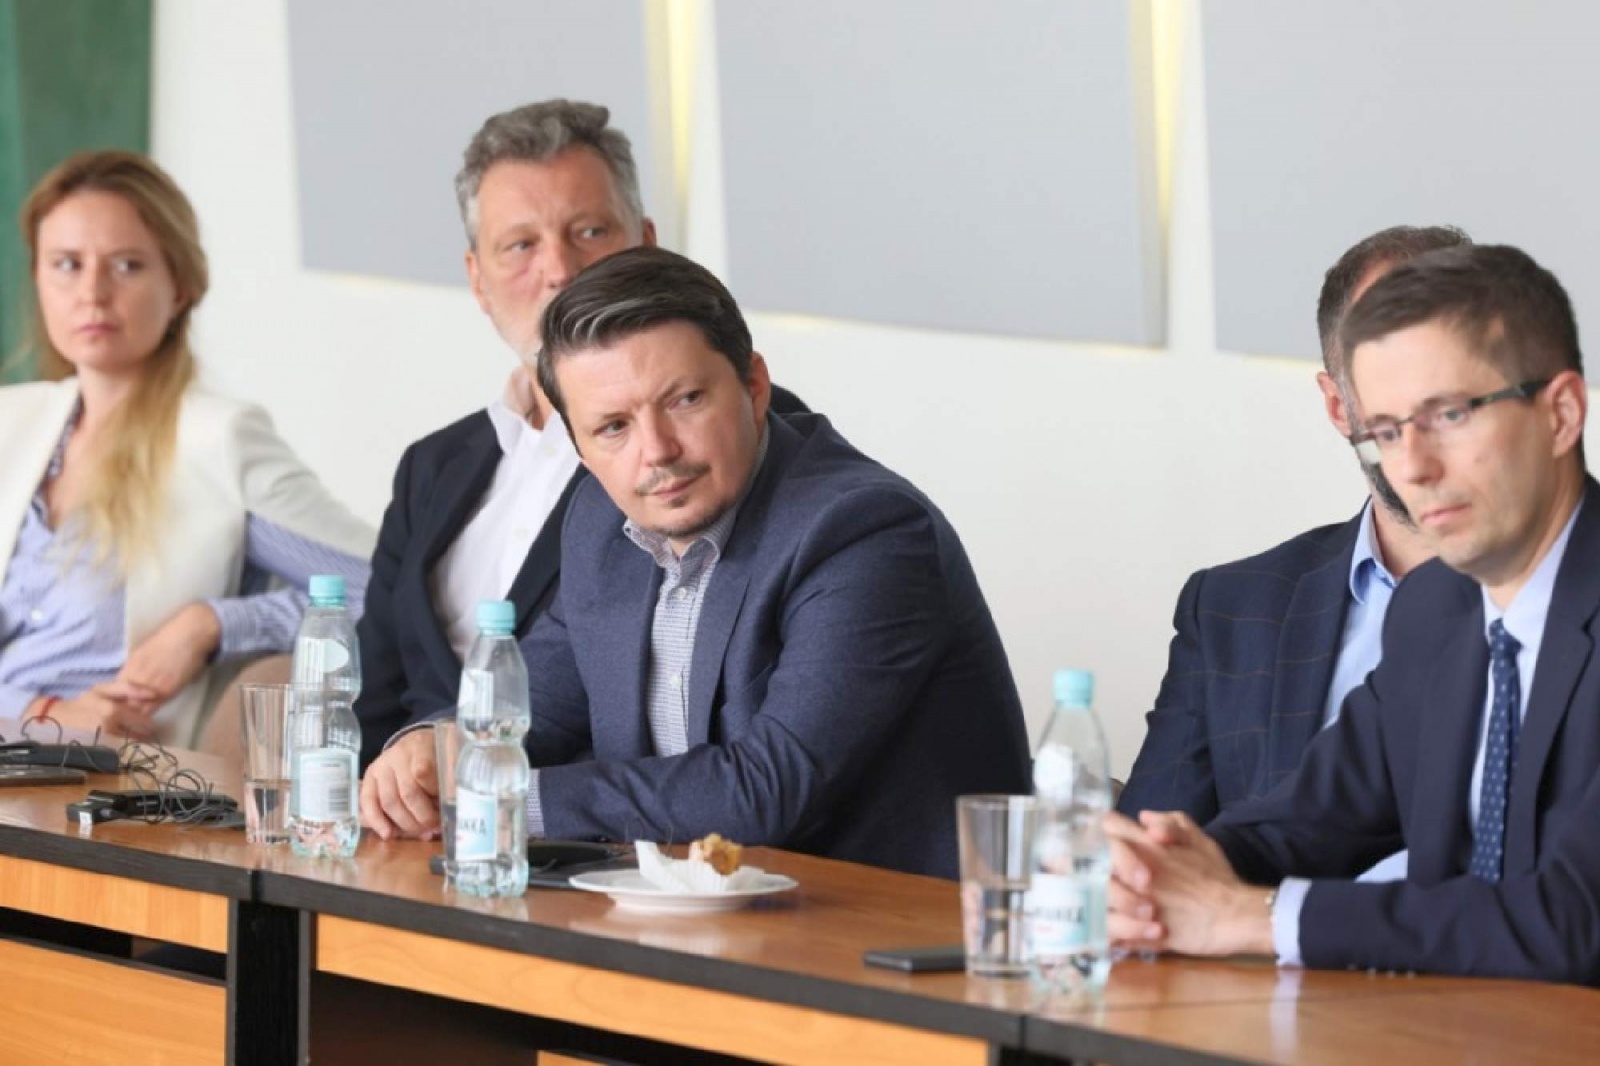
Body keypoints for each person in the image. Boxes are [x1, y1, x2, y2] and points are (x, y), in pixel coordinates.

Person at [360, 246, 1029, 878]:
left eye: (685, 401)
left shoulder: (864, 531)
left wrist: (500, 798)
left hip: (892, 932)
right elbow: (544, 704)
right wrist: (437, 748)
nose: (656, 451)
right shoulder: (599, 520)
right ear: (579, 446)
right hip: (690, 916)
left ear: (754, 386)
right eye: (613, 427)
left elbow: (767, 788)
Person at [1107, 243, 1600, 982]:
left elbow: (1574, 921)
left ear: (1560, 414)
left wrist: (1251, 917)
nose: (1414, 468)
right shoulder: (1436, 610)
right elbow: (1309, 819)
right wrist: (1158, 871)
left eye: (1449, 415)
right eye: (1387, 432)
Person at [353, 99, 803, 767]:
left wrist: (493, 794)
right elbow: (373, 696)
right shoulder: (432, 466)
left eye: (589, 231)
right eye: (521, 244)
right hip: (422, 806)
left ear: (646, 244)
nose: (560, 270)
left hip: (601, 814)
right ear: (477, 278)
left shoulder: (713, 447)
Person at [0, 150, 373, 745]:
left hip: (102, 776)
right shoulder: (12, 422)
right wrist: (40, 710)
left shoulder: (217, 440)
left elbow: (379, 588)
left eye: (127, 265)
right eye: (66, 264)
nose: (92, 292)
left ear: (180, 287)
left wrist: (213, 624)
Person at [1118, 226, 1467, 827]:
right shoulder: (1231, 610)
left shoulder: (1564, 592)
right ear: (1338, 405)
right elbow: (1150, 852)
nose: (1423, 430)